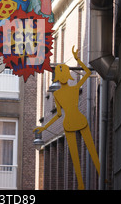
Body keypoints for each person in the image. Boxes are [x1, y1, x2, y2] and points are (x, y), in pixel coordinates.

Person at [33, 47, 100, 190]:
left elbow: (88, 72)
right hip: (73, 123)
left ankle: (99, 176)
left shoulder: (71, 90)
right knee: (77, 156)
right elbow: (57, 114)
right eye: (61, 73)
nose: (63, 76)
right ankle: (83, 183)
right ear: (58, 76)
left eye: (64, 72)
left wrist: (77, 59)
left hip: (73, 123)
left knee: (90, 150)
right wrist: (43, 128)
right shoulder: (63, 92)